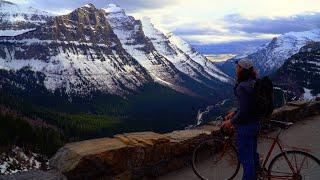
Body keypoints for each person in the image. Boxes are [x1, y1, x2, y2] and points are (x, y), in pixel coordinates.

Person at [222, 58, 260, 180]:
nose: (236, 68)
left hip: (245, 127)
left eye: (237, 66)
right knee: (252, 154)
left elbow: (244, 112)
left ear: (241, 69)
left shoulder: (241, 87)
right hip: (255, 123)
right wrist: (234, 112)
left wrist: (230, 121)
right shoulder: (254, 82)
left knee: (246, 158)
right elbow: (248, 105)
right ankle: (257, 174)